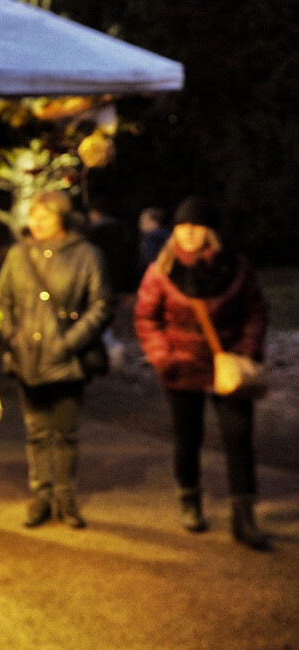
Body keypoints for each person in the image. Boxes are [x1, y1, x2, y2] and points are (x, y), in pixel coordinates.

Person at [134, 197, 269, 550]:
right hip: (181, 365)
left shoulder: (235, 267)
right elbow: (147, 318)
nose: (188, 233)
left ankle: (244, 515)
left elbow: (255, 310)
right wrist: (163, 357)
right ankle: (190, 499)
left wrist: (246, 350)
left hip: (228, 365)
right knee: (188, 436)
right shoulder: (161, 270)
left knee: (238, 437)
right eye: (182, 226)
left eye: (195, 226)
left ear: (209, 231)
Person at [0, 190, 113, 529]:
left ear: (63, 219)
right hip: (27, 358)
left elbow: (101, 305)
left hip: (66, 360)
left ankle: (65, 496)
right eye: (33, 216)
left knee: (65, 432)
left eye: (44, 217)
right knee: (35, 432)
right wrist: (13, 338)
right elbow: (1, 302)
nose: (36, 223)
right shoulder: (19, 255)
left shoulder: (87, 256)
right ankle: (40, 495)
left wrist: (69, 343)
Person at [138, 206, 171, 272]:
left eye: (143, 220)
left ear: (153, 221)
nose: (140, 224)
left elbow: (150, 260)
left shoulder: (151, 238)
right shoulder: (169, 235)